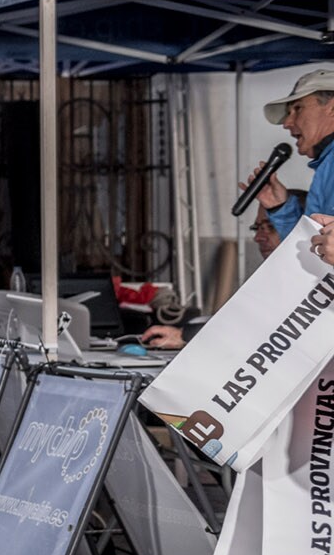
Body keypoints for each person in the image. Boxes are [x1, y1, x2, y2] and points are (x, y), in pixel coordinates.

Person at [141, 200, 291, 350]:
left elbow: (257, 332)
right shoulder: (271, 280)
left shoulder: (303, 283)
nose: (258, 237)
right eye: (256, 228)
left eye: (271, 227)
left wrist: (185, 336)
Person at [250, 70, 334, 242]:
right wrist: (280, 208)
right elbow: (313, 249)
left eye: (297, 108)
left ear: (332, 108)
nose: (287, 124)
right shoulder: (326, 166)